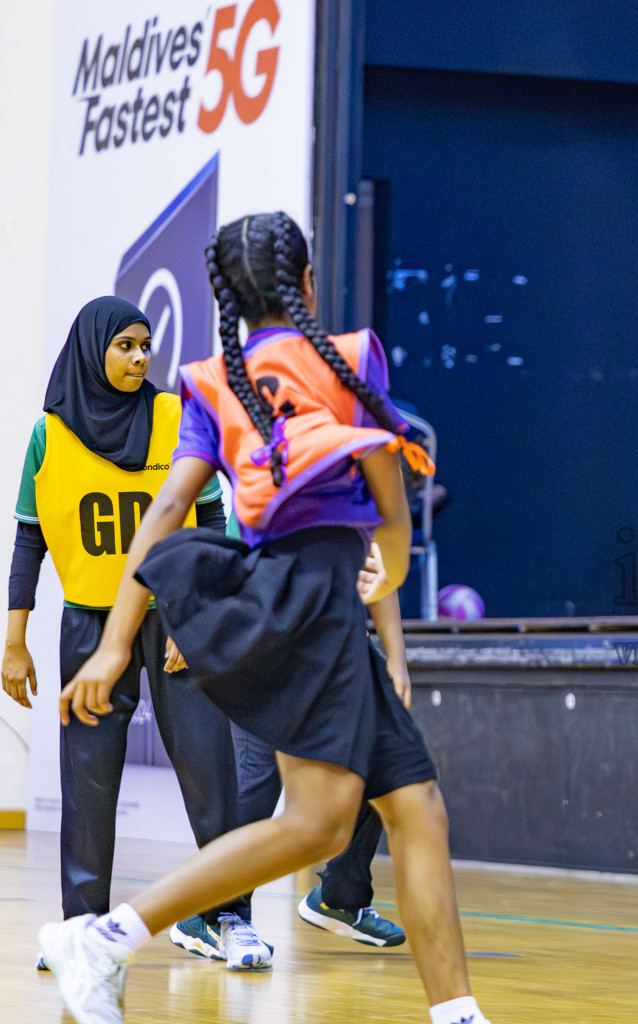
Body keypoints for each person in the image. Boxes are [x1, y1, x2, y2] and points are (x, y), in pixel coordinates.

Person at [38, 212, 489, 1024]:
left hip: (280, 606)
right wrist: (393, 627)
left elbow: (168, 510)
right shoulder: (353, 357)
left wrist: (112, 644)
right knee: (323, 827)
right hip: (316, 610)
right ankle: (106, 935)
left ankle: (456, 1013)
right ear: (308, 283)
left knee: (405, 812)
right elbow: (387, 520)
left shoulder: (209, 380)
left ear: (226, 295)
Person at [2, 296, 272, 971]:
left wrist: (203, 612)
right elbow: (29, 541)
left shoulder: (174, 417)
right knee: (87, 781)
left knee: (211, 772)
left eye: (146, 345)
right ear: (93, 350)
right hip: (90, 623)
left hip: (173, 617)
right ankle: (81, 930)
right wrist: (13, 639)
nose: (140, 357)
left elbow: (214, 522)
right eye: (125, 345)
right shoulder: (49, 434)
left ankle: (228, 918)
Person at [225, 538, 407, 949]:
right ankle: (217, 913)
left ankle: (341, 896)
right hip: (269, 645)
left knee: (388, 755)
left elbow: (376, 562)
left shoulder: (356, 492)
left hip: (342, 648)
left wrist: (395, 656)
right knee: (256, 784)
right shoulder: (261, 485)